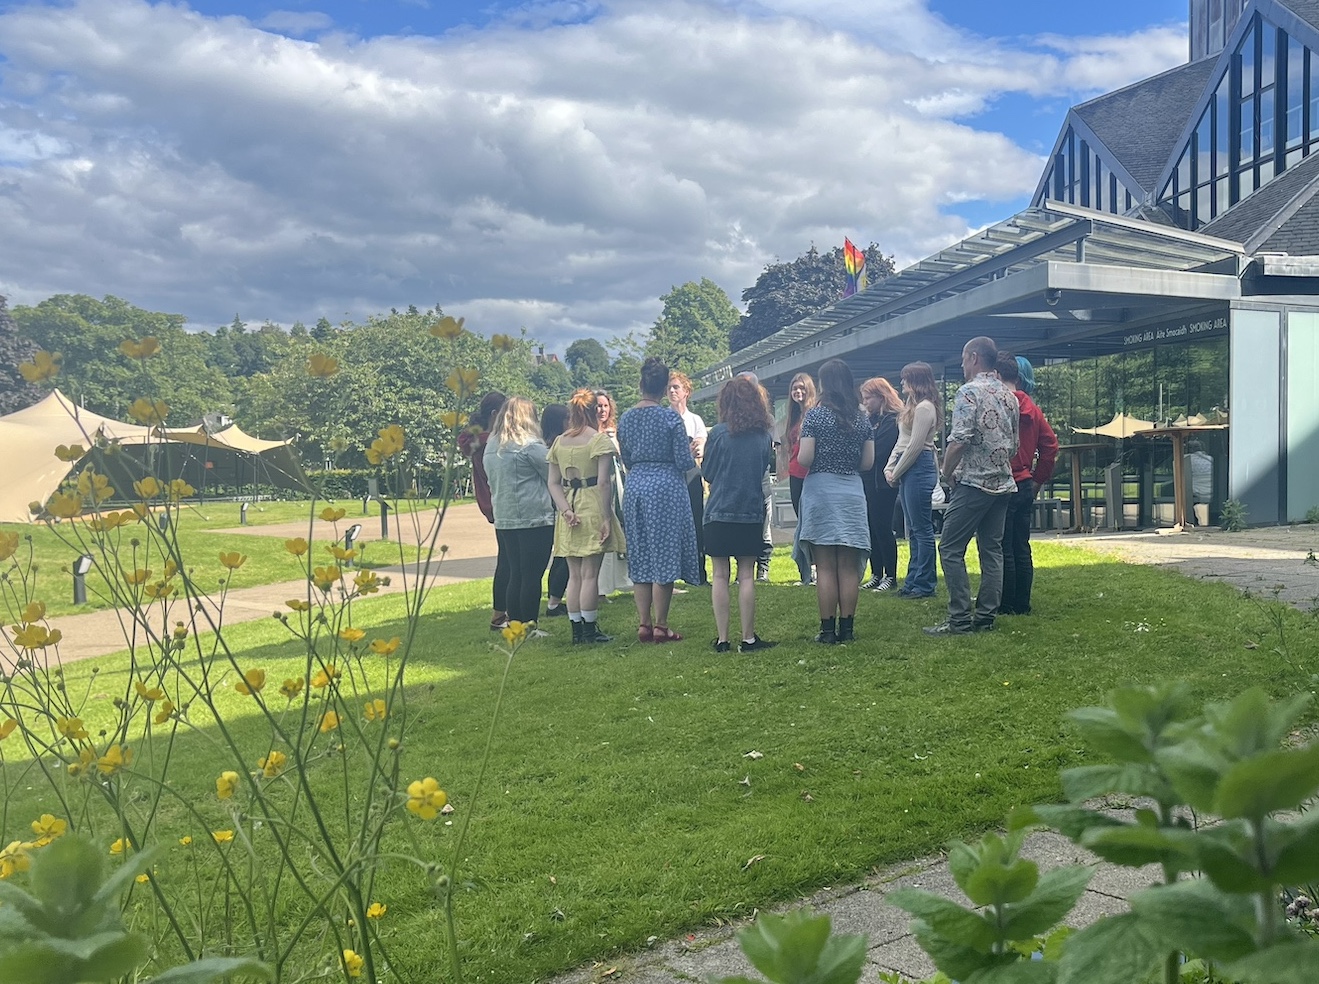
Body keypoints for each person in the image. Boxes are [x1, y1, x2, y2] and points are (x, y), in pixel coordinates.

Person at [925, 337, 1019, 636]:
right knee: (992, 550)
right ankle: (986, 617)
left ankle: (960, 619)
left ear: (974, 357)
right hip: (1003, 483)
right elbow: (1014, 446)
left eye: (964, 359)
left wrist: (945, 472)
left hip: (974, 483)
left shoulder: (968, 393)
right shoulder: (1010, 396)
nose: (962, 365)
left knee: (951, 548)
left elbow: (959, 439)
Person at [618, 357, 700, 642]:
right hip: (665, 488)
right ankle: (661, 625)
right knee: (663, 555)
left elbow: (625, 457)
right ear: (664, 387)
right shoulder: (670, 418)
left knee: (640, 554)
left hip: (636, 485)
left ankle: (643, 623)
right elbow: (683, 460)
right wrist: (690, 450)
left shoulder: (626, 418)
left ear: (641, 384)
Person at [797, 359, 874, 644]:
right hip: (852, 493)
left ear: (824, 384)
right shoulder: (863, 419)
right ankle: (848, 629)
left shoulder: (814, 418)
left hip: (821, 491)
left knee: (826, 566)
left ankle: (827, 631)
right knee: (848, 566)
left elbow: (805, 458)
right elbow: (867, 463)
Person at [702, 376, 777, 653]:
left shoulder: (718, 434)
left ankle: (722, 639)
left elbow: (707, 473)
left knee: (720, 574)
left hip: (719, 511)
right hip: (749, 512)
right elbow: (761, 473)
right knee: (746, 575)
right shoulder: (763, 437)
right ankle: (748, 638)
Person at [547, 390, 625, 644]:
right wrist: (606, 517)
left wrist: (566, 511)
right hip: (591, 503)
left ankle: (576, 629)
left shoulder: (559, 442)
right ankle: (590, 628)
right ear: (593, 412)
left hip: (569, 504)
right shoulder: (598, 441)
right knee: (591, 573)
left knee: (575, 574)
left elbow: (553, 483)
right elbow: (604, 483)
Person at [484, 397, 555, 634]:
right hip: (533, 516)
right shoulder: (530, 445)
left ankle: (514, 624)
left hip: (504, 517)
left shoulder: (493, 445)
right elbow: (552, 475)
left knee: (515, 572)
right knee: (532, 574)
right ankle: (530, 625)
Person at [996, 354, 1057, 616]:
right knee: (1021, 545)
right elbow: (1051, 446)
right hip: (1024, 483)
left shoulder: (1000, 405)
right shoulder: (1032, 408)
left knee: (1002, 546)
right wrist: (1037, 480)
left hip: (1003, 481)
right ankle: (1022, 602)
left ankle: (1005, 603)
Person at [885, 363, 941, 599]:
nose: (902, 384)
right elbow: (902, 441)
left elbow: (916, 446)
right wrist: (890, 467)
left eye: (905, 379)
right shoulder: (912, 407)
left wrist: (896, 472)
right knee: (913, 529)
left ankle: (924, 583)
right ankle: (912, 580)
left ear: (916, 381)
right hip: (908, 466)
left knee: (921, 528)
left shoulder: (925, 408)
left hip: (919, 466)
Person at [458, 390, 509, 630]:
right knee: (508, 560)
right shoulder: (485, 439)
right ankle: (500, 615)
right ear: (494, 414)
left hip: (493, 501)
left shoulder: (473, 438)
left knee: (507, 559)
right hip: (500, 500)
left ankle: (502, 612)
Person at [860, 377, 903, 592]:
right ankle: (876, 572)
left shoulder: (891, 420)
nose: (865, 402)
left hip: (883, 484)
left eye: (868, 398)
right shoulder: (871, 419)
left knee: (883, 528)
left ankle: (890, 575)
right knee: (871, 528)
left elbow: (881, 449)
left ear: (881, 396)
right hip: (868, 482)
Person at [668, 371, 709, 585]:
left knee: (695, 522)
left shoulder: (695, 420)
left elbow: (700, 447)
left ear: (686, 392)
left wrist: (699, 445)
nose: (673, 391)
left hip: (691, 474)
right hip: (671, 475)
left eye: (676, 387)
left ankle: (699, 574)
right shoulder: (664, 416)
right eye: (670, 388)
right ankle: (671, 576)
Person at [593, 389, 633, 598]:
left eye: (605, 406)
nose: (602, 410)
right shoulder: (589, 433)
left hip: (618, 484)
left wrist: (616, 443)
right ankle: (600, 587)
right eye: (598, 406)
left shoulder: (615, 431)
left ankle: (622, 579)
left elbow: (625, 458)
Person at [779, 372, 817, 585]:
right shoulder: (793, 416)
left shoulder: (814, 413)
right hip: (795, 473)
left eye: (802, 387)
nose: (798, 391)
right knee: (801, 522)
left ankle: (815, 569)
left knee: (812, 522)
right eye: (795, 388)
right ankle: (805, 571)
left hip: (811, 474)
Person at [540, 403, 570, 618]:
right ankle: (554, 601)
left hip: (554, 506)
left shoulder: (549, 445)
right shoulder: (555, 447)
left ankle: (555, 600)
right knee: (563, 556)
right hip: (558, 506)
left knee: (561, 557)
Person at [1187, 440, 1214, 526]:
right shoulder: (1211, 459)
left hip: (1196, 491)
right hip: (1212, 491)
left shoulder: (1186, 459)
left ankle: (1192, 521)